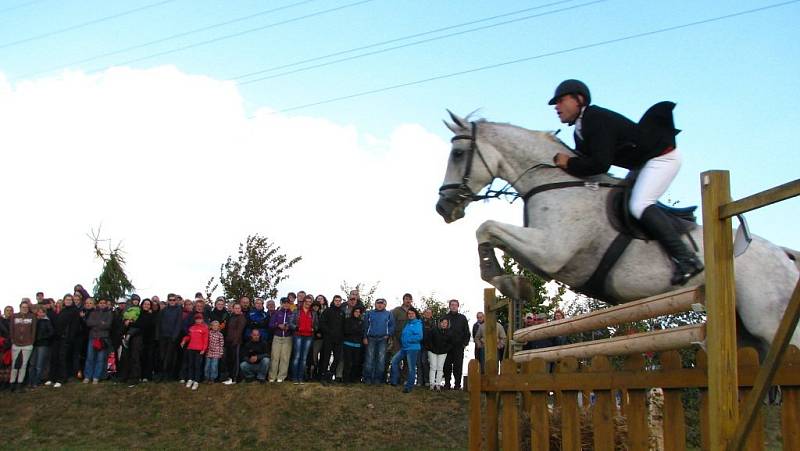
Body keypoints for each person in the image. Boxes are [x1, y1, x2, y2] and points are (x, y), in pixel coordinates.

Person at [548, 79, 703, 285]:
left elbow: (599, 164)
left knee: (639, 204)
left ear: (579, 99)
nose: (557, 107)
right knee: (625, 199)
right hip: (642, 165)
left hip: (662, 157)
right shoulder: (579, 129)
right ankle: (675, 220)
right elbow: (588, 167)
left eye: (560, 101)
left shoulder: (595, 118)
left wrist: (569, 163)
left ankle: (687, 260)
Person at [51, 294, 82, 387]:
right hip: (58, 338)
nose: (68, 301)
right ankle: (53, 377)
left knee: (63, 358)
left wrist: (70, 338)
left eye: (70, 300)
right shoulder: (63, 311)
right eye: (66, 299)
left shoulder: (74, 311)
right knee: (55, 357)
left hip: (66, 338)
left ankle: (62, 378)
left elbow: (74, 326)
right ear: (64, 301)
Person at [390, 308, 423, 393]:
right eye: (409, 314)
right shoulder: (408, 323)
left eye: (412, 313)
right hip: (404, 348)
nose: (410, 315)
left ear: (415, 314)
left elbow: (419, 337)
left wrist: (408, 340)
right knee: (394, 361)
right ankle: (394, 381)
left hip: (413, 349)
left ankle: (408, 387)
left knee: (411, 368)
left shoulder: (418, 323)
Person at [362, 298, 394, 385]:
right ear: (375, 304)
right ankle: (367, 378)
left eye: (382, 303)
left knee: (381, 359)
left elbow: (392, 326)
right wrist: (365, 337)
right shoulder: (369, 313)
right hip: (371, 338)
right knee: (369, 359)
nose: (380, 305)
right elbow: (365, 326)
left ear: (385, 305)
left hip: (383, 339)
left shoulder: (388, 314)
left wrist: (388, 334)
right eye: (378, 303)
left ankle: (377, 379)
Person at [84, 298, 113, 384]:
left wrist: (97, 323)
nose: (102, 304)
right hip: (92, 337)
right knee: (90, 357)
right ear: (98, 304)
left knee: (100, 359)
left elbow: (108, 325)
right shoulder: (93, 312)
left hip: (103, 339)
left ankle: (96, 376)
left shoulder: (109, 313)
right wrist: (101, 323)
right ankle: (87, 376)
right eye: (101, 303)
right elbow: (88, 323)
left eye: (104, 303)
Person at [443, 299, 470, 390]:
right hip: (447, 347)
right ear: (449, 306)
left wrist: (464, 344)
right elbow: (441, 331)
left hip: (458, 347)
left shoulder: (462, 318)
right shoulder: (445, 317)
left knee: (458, 366)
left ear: (458, 306)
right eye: (452, 305)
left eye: (455, 305)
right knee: (446, 366)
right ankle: (447, 384)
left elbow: (467, 332)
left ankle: (457, 385)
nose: (454, 306)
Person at [9, 300, 36, 391]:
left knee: (24, 364)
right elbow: (11, 329)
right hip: (16, 344)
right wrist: (13, 340)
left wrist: (31, 341)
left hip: (27, 344)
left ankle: (20, 383)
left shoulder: (32, 317)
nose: (24, 309)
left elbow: (34, 330)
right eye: (23, 307)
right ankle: (12, 383)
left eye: (26, 307)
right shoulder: (14, 316)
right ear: (20, 307)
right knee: (14, 364)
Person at [290, 295, 317, 384]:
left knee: (304, 358)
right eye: (307, 301)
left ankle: (301, 378)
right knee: (297, 356)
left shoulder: (313, 313)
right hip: (298, 335)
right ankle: (294, 377)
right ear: (304, 302)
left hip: (308, 336)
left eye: (310, 302)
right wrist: (296, 328)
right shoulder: (297, 311)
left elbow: (316, 325)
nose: (308, 303)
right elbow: (290, 323)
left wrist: (314, 329)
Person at [318, 294, 345, 383]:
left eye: (339, 301)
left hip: (338, 340)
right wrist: (328, 332)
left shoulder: (342, 312)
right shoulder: (328, 311)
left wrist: (341, 336)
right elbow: (322, 323)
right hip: (328, 338)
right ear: (333, 301)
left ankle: (330, 375)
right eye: (336, 300)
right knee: (326, 358)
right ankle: (323, 377)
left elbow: (343, 327)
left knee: (337, 358)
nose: (338, 302)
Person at [157, 294, 184, 381]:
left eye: (173, 300)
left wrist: (174, 336)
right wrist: (158, 335)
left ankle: (167, 375)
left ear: (176, 301)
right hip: (163, 336)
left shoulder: (178, 310)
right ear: (168, 300)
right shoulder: (164, 310)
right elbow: (159, 323)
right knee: (162, 355)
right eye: (170, 300)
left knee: (169, 357)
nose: (172, 301)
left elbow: (178, 324)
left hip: (172, 337)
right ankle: (161, 373)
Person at [268, 297, 294, 383]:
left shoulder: (292, 314)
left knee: (285, 358)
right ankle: (272, 376)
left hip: (287, 338)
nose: (286, 304)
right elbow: (271, 325)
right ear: (281, 304)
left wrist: (289, 327)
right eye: (284, 303)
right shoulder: (277, 313)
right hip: (277, 337)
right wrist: (278, 325)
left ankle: (281, 377)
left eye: (288, 303)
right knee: (275, 357)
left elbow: (294, 325)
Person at [180, 313, 209, 390]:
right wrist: (183, 341)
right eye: (197, 319)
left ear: (202, 320)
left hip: (199, 350)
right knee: (191, 365)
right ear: (195, 320)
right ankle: (190, 379)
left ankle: (196, 381)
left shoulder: (205, 328)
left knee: (197, 365)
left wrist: (204, 349)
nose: (198, 320)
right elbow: (188, 336)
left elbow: (206, 340)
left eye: (200, 319)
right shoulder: (192, 328)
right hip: (190, 348)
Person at [29, 306, 54, 387]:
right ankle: (30, 381)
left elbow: (51, 333)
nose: (40, 313)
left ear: (44, 313)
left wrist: (42, 337)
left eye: (41, 312)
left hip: (43, 345)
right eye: (39, 312)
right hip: (35, 344)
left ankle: (37, 381)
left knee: (39, 365)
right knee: (32, 363)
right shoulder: (35, 321)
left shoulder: (47, 321)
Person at [222, 303, 246, 385]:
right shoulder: (231, 317)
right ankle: (230, 377)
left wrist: (235, 342)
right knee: (230, 360)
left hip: (236, 342)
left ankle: (235, 378)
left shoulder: (241, 318)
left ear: (241, 309)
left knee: (236, 361)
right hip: (229, 342)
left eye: (239, 308)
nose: (237, 310)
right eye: (235, 308)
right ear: (233, 309)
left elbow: (239, 331)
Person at [425, 318, 453, 391]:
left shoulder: (449, 332)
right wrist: (432, 349)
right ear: (439, 323)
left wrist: (446, 350)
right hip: (432, 351)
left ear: (447, 324)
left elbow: (450, 343)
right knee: (433, 367)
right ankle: (432, 384)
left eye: (445, 323)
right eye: (442, 322)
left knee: (440, 368)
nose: (444, 324)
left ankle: (438, 384)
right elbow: (429, 340)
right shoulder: (434, 330)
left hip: (443, 352)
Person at [342, 306, 364, 384]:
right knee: (348, 363)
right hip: (347, 344)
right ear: (353, 312)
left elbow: (361, 332)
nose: (357, 313)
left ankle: (353, 379)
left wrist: (355, 330)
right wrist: (356, 330)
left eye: (359, 312)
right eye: (356, 311)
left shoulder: (361, 322)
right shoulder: (347, 320)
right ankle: (345, 379)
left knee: (355, 363)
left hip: (357, 345)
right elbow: (346, 331)